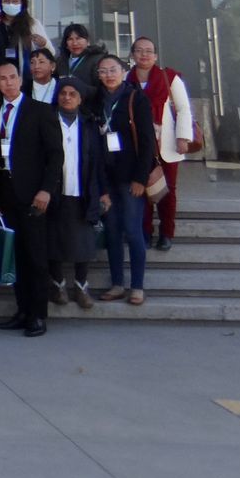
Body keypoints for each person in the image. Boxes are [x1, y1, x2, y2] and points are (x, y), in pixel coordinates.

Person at [0, 59, 63, 337]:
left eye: (12, 77)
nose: (8, 82)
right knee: (14, 257)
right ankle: (22, 311)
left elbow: (55, 155)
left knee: (36, 258)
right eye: (2, 79)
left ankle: (38, 315)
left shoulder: (40, 111)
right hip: (4, 196)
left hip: (33, 196)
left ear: (20, 79)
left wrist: (46, 190)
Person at [96, 53, 154, 306]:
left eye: (113, 70)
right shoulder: (95, 100)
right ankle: (118, 283)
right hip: (107, 177)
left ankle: (137, 286)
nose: (108, 75)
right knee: (112, 231)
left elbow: (148, 140)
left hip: (131, 177)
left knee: (132, 230)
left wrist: (141, 178)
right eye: (103, 71)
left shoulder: (135, 98)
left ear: (123, 72)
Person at [127, 37, 194, 252]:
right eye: (139, 50)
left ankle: (167, 233)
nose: (144, 55)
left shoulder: (168, 77)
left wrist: (183, 137)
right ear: (132, 55)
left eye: (148, 51)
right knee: (142, 190)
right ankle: (145, 231)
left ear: (155, 56)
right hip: (140, 146)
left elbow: (183, 108)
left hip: (166, 144)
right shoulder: (127, 79)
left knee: (168, 191)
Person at [47, 80, 108, 311]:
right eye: (63, 93)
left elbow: (99, 161)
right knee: (54, 238)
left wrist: (103, 191)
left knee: (83, 242)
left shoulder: (89, 125)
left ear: (81, 98)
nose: (67, 97)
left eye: (73, 94)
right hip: (55, 190)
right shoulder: (48, 121)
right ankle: (57, 284)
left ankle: (81, 286)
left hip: (83, 190)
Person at [0, 0, 48, 77]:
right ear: (1, 3)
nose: (10, 4)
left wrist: (43, 44)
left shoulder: (32, 24)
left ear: (22, 3)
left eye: (15, 1)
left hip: (26, 79)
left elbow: (51, 52)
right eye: (6, 1)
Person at [56, 23, 104, 107]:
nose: (75, 43)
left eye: (78, 38)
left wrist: (78, 86)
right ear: (66, 43)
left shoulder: (98, 60)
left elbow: (101, 89)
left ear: (87, 41)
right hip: (65, 109)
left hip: (89, 109)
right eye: (70, 39)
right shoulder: (60, 61)